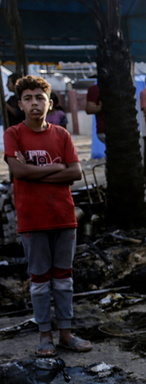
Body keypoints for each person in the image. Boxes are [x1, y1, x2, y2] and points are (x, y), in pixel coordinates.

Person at [3, 75, 91, 358]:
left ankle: (66, 334)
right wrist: (56, 170)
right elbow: (19, 172)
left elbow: (75, 173)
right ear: (20, 104)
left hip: (63, 216)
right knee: (39, 282)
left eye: (39, 98)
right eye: (28, 98)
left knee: (64, 279)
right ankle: (45, 336)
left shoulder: (61, 135)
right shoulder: (13, 134)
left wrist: (33, 172)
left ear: (49, 103)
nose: (34, 103)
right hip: (33, 219)